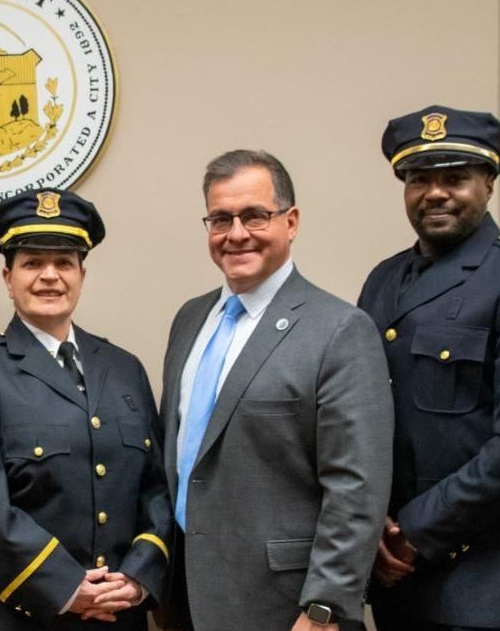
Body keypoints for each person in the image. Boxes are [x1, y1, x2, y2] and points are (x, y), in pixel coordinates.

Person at [360, 106, 500, 631]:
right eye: (418, 179)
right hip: (396, 576)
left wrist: (413, 530)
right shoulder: (384, 281)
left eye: (455, 178)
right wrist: (370, 527)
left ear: (489, 182)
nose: (434, 193)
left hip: (486, 583)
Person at [158, 150, 393, 631]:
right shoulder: (189, 319)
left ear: (291, 221)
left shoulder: (339, 330)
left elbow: (357, 486)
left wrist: (325, 606)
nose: (236, 233)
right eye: (220, 219)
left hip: (286, 606)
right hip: (185, 593)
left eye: (255, 216)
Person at [0, 189, 171, 630]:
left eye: (63, 263)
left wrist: (138, 578)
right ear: (7, 277)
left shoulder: (124, 369)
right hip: (10, 616)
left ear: (82, 273)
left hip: (115, 616)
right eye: (32, 263)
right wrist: (65, 587)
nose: (49, 276)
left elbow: (156, 490)